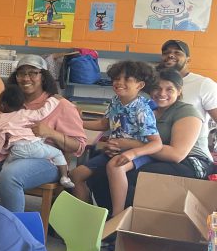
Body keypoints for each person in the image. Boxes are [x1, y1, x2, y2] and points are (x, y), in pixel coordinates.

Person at [86, 68, 216, 217]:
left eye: (169, 89)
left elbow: (176, 155)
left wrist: (129, 145)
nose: (161, 93)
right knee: (101, 173)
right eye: (157, 88)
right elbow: (124, 136)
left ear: (179, 91)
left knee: (135, 177)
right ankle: (111, 222)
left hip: (191, 163)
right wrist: (116, 147)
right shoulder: (146, 109)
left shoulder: (187, 112)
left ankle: (126, 224)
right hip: (154, 156)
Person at [0, 54, 86, 212]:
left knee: (9, 175)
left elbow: (79, 146)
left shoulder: (60, 105)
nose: (26, 78)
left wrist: (51, 133)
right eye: (21, 73)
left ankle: (13, 230)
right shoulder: (14, 101)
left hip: (45, 159)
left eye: (33, 73)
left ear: (43, 77)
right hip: (5, 151)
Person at [70, 60, 159, 217]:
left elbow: (156, 144)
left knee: (114, 166)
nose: (119, 83)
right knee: (76, 175)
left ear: (140, 85)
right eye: (117, 79)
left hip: (138, 154)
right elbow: (105, 124)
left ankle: (116, 218)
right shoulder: (116, 101)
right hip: (113, 151)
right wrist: (78, 123)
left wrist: (131, 154)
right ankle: (87, 217)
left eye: (127, 79)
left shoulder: (142, 109)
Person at [0, 84, 74, 189]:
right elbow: (43, 112)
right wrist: (53, 100)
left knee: (6, 167)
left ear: (1, 105)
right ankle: (65, 177)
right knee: (58, 154)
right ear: (23, 104)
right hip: (34, 146)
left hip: (15, 149)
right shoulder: (26, 113)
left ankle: (2, 182)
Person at [159, 39, 217, 141]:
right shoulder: (154, 82)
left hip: (191, 150)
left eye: (177, 52)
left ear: (188, 60)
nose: (170, 55)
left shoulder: (203, 84)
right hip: (155, 146)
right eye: (166, 53)